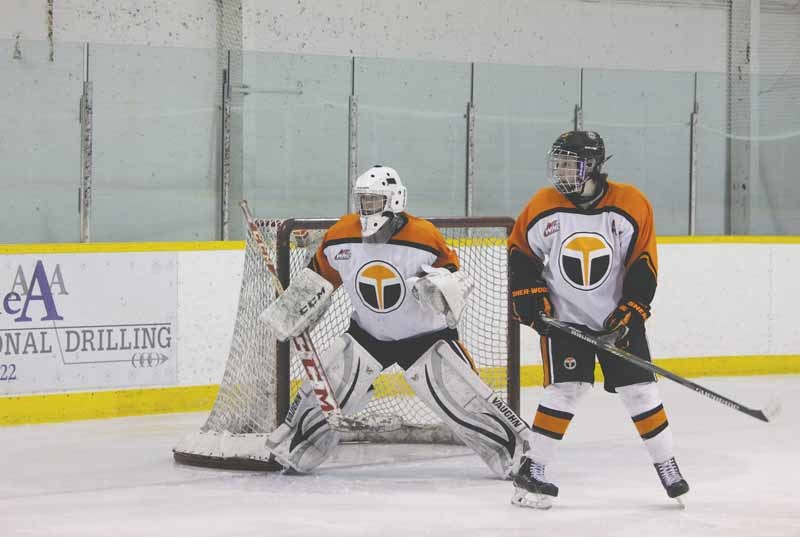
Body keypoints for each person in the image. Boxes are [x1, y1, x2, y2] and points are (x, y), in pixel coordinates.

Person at [260, 164, 530, 478]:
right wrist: (295, 309)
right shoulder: (340, 235)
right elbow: (319, 278)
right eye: (363, 200)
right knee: (327, 391)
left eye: (374, 200)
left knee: (464, 401)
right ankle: (295, 451)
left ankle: (517, 457)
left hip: (425, 337)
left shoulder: (423, 235)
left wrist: (439, 286)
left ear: (396, 200)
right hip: (367, 334)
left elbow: (455, 278)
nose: (366, 208)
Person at [507, 131, 689, 509]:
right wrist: (528, 297)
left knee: (641, 392)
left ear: (593, 165)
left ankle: (666, 464)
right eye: (557, 162)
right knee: (566, 389)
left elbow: (644, 260)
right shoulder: (543, 204)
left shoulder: (630, 203)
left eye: (569, 163)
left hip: (615, 320)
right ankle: (534, 468)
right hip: (565, 319)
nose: (560, 171)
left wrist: (632, 310)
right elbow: (520, 250)